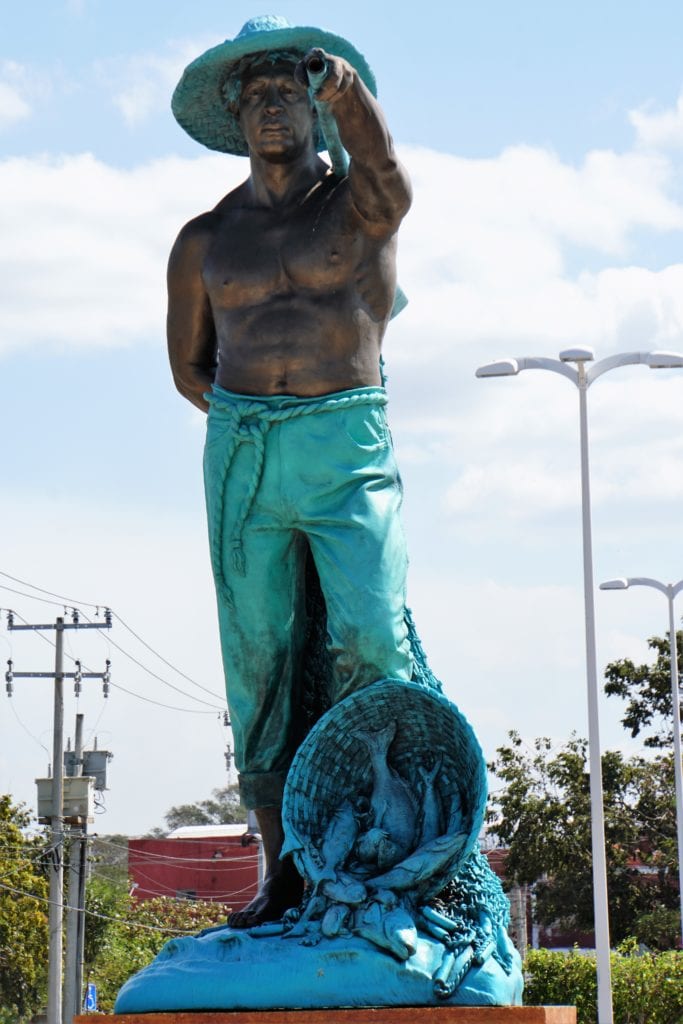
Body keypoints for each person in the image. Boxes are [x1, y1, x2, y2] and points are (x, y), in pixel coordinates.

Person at [167, 15, 413, 927]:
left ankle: (379, 842)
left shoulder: (357, 205)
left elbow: (389, 177)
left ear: (314, 105)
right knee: (259, 660)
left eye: (289, 91)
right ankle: (287, 870)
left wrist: (346, 89)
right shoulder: (203, 239)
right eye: (256, 95)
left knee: (371, 634)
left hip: (344, 442)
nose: (273, 107)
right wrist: (253, 425)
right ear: (235, 116)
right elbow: (189, 365)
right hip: (244, 450)